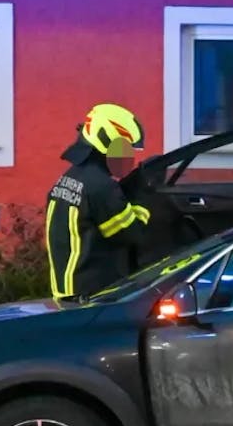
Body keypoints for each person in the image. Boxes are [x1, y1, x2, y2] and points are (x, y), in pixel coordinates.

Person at [45, 103, 152, 301]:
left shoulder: (70, 178)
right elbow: (131, 234)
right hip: (92, 296)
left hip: (67, 291)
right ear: (106, 143)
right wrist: (142, 196)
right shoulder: (101, 187)